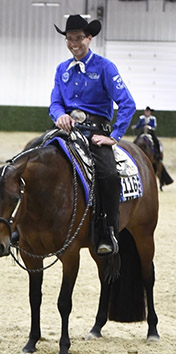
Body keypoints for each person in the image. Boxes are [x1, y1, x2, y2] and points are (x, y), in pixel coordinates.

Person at [49, 15, 136, 255]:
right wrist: (60, 115)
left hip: (96, 133)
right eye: (69, 39)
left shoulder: (105, 67)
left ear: (89, 37)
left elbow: (127, 104)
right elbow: (55, 103)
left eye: (78, 38)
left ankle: (107, 230)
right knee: (34, 157)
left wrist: (115, 136)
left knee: (108, 174)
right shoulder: (61, 69)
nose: (74, 43)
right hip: (67, 130)